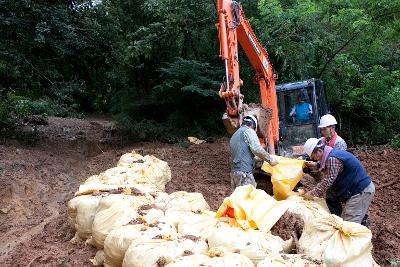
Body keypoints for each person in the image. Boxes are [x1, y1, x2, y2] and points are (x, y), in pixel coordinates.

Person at [301, 138, 375, 226]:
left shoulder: (332, 158)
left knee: (347, 227)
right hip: (355, 188)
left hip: (360, 191)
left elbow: (328, 180)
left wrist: (312, 193)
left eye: (313, 157)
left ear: (319, 151)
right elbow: (332, 167)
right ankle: (338, 219)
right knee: (331, 193)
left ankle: (361, 224)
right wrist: (316, 165)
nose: (313, 159)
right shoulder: (331, 154)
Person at [229, 115, 278, 191]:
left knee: (238, 200)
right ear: (252, 125)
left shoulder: (234, 135)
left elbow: (243, 153)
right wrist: (270, 159)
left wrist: (259, 159)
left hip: (234, 174)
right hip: (244, 174)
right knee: (251, 199)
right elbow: (256, 148)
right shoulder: (249, 131)